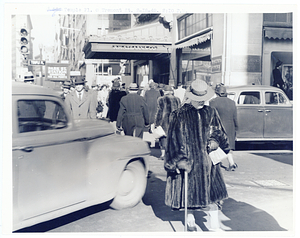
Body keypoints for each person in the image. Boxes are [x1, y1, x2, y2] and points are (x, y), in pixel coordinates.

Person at [164, 79, 230, 231]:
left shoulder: (211, 112)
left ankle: (214, 226)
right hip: (189, 163)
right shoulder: (178, 115)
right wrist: (178, 160)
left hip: (209, 163)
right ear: (191, 96)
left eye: (203, 99)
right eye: (198, 99)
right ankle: (190, 219)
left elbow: (219, 133)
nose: (201, 102)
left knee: (214, 197)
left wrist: (215, 141)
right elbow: (172, 141)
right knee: (190, 196)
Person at [209, 84, 238, 171]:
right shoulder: (232, 102)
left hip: (218, 127)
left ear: (217, 93)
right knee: (227, 146)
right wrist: (236, 128)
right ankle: (232, 163)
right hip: (230, 127)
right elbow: (235, 118)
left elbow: (211, 116)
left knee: (215, 146)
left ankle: (215, 164)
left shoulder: (213, 102)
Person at [154, 85, 181, 160]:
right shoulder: (177, 99)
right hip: (175, 121)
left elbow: (159, 112)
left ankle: (163, 155)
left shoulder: (161, 99)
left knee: (163, 138)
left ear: (164, 91)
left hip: (164, 121)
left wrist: (156, 123)